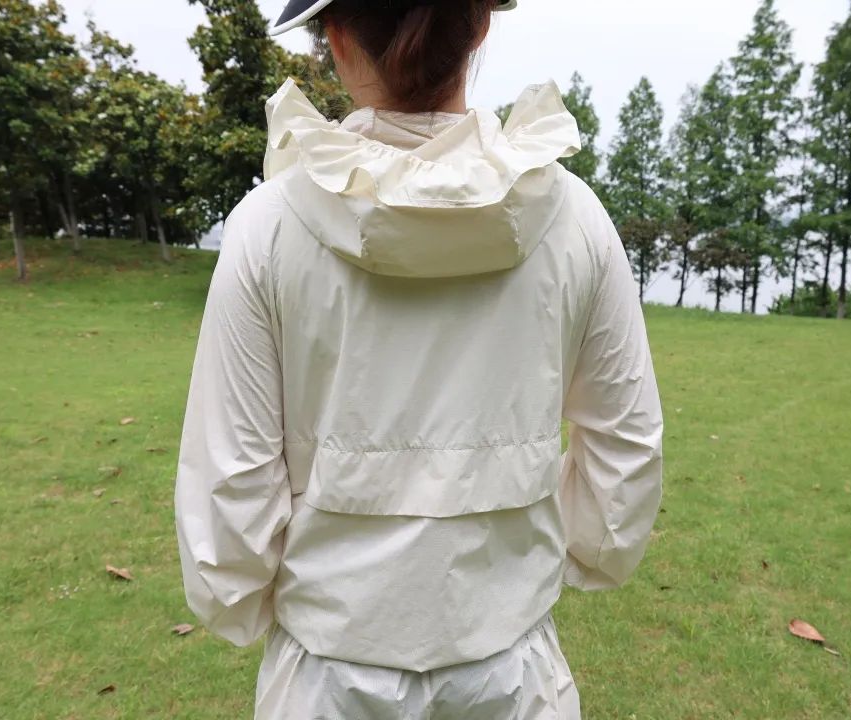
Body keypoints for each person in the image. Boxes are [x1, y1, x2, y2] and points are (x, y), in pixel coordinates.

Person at [173, 0, 664, 717]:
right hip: (513, 678)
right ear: (480, 26)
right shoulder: (575, 219)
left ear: (337, 38)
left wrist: (241, 593)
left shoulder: (267, 228)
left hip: (327, 682)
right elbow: (626, 449)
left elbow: (231, 482)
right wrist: (552, 559)